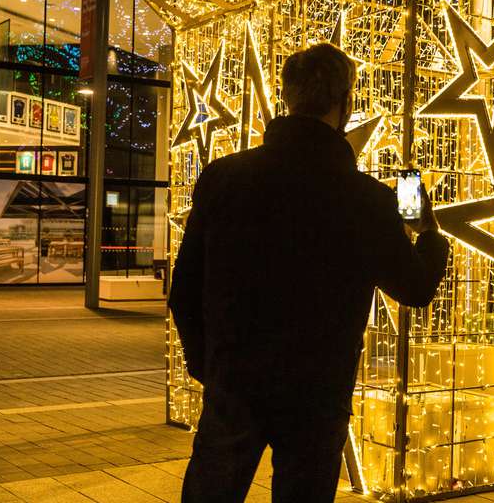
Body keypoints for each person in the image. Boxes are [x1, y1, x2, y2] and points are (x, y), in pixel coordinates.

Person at [168, 42, 450, 502]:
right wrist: (431, 233)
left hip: (235, 380)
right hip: (317, 393)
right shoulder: (367, 199)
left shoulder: (224, 178)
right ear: (346, 103)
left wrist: (211, 367)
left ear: (287, 96)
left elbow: (184, 291)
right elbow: (416, 287)